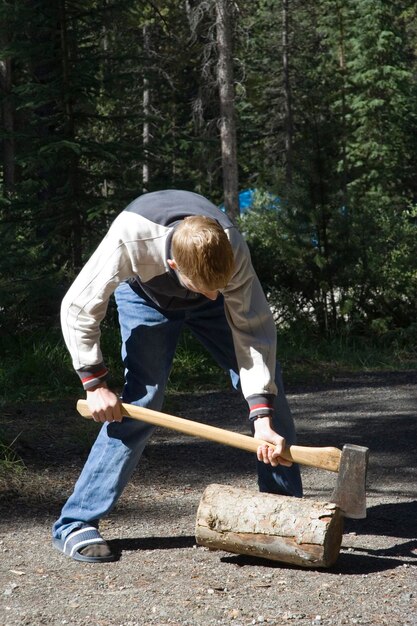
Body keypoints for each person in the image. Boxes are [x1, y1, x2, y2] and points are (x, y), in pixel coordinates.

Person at [52, 189, 303, 563]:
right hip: (145, 297)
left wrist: (262, 419)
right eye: (205, 288)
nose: (215, 296)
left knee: (271, 395)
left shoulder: (229, 250)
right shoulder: (132, 236)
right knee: (141, 401)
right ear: (172, 264)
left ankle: (282, 516)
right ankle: (75, 523)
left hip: (207, 284)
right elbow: (78, 307)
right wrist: (96, 384)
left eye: (219, 287)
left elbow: (254, 334)